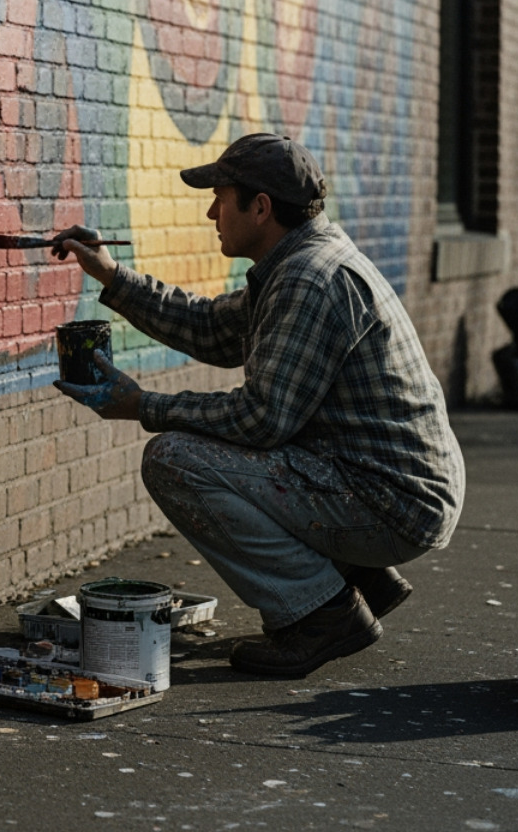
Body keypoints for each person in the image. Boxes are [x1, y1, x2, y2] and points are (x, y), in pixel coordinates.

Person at [51, 133, 465, 678]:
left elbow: (261, 418)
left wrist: (144, 405)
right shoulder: (299, 260)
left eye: (221, 198)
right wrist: (111, 274)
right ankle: (355, 574)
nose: (210, 212)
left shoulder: (310, 279)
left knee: (174, 459)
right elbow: (210, 328)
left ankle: (322, 615)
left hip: (392, 502)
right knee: (229, 440)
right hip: (384, 483)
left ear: (261, 207)